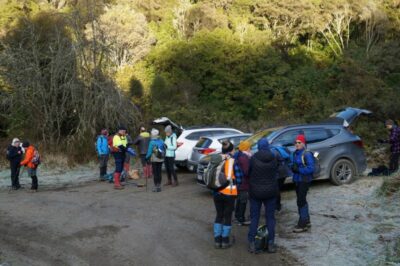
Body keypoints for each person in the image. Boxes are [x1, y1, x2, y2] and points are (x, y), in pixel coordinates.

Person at [247, 138, 278, 254]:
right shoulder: (274, 158)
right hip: (271, 191)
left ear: (259, 146)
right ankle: (270, 244)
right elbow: (276, 171)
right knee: (270, 218)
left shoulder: (253, 158)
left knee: (254, 217)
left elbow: (248, 173)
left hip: (255, 192)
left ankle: (252, 243)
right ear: (267, 146)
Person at [213, 140, 237, 249]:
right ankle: (225, 240)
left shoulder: (216, 158)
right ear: (231, 150)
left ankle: (217, 240)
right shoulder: (232, 160)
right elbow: (238, 175)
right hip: (229, 191)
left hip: (217, 191)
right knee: (227, 216)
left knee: (219, 214)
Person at [291, 134, 314, 233]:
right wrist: (292, 167)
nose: (297, 144)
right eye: (295, 142)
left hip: (304, 180)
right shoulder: (295, 153)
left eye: (299, 142)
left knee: (301, 201)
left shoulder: (307, 154)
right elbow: (292, 164)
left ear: (303, 143)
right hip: (297, 180)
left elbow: (311, 168)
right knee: (302, 200)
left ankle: (303, 223)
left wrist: (298, 169)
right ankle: (307, 220)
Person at [234, 140, 251, 226]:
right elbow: (246, 171)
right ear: (246, 148)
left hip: (239, 182)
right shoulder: (244, 158)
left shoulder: (238, 155)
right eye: (249, 147)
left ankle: (237, 217)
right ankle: (241, 219)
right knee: (243, 201)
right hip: (243, 183)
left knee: (240, 200)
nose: (250, 149)